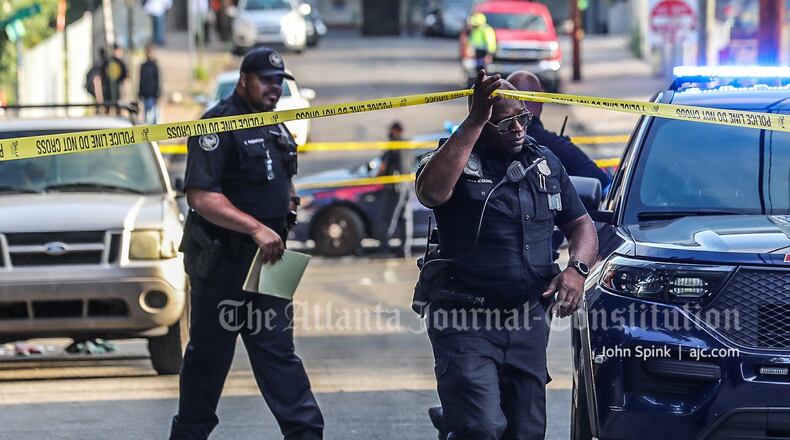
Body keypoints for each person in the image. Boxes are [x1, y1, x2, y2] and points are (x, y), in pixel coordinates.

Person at [415, 70, 598, 440]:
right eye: (504, 122)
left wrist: (577, 270)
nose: (517, 128)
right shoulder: (453, 158)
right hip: (464, 320)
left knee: (527, 431)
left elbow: (582, 226)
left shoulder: (544, 163)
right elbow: (431, 193)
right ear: (482, 122)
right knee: (482, 428)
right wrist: (474, 121)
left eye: (522, 118)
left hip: (527, 319)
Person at [170, 47, 323, 440]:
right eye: (266, 80)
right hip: (224, 260)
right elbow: (202, 196)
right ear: (244, 80)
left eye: (279, 82)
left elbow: (285, 173)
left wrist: (288, 199)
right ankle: (189, 434)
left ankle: (306, 432)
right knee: (209, 356)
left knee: (277, 350)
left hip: (271, 259)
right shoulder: (216, 125)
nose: (274, 88)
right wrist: (255, 226)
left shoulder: (275, 125)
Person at [138, 43, 162, 125]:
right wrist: (140, 92)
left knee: (153, 116)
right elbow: (141, 80)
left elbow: (158, 80)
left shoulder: (154, 66)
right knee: (147, 117)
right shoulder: (143, 66)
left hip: (153, 95)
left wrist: (158, 94)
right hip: (145, 95)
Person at [104, 44, 128, 114]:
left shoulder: (121, 63)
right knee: (108, 106)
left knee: (118, 106)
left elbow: (125, 75)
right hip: (109, 88)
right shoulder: (108, 61)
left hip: (118, 88)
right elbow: (103, 73)